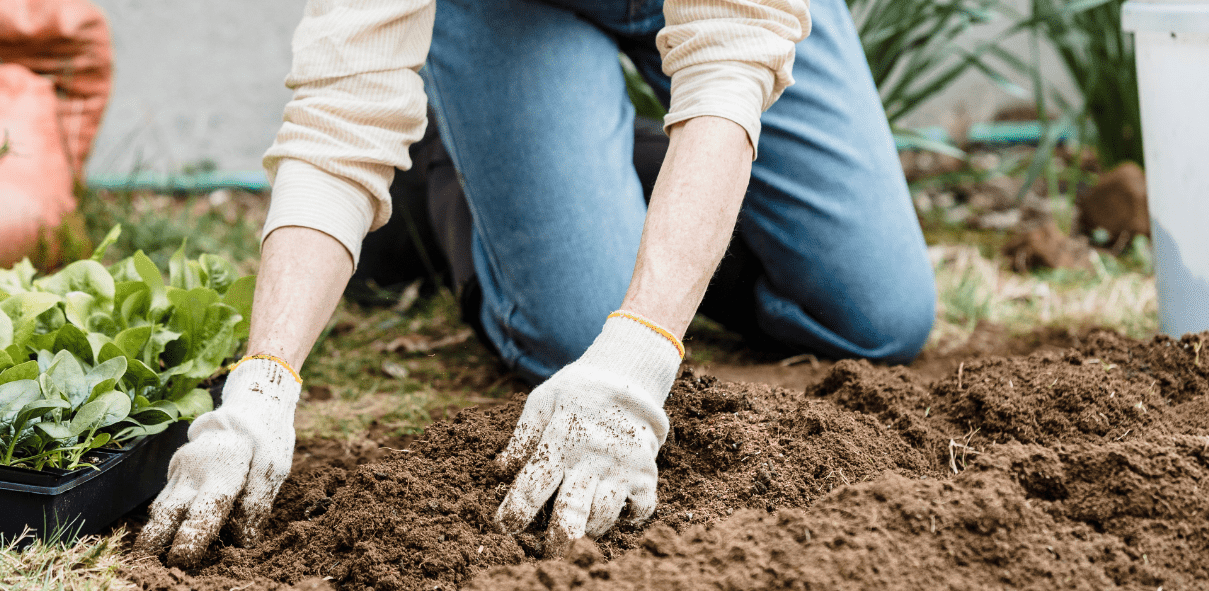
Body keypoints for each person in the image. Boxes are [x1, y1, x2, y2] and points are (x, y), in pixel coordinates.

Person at [135, 0, 936, 565]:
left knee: (879, 315)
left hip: (731, 8)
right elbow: (341, 112)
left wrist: (644, 351)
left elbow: (732, 52)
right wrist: (263, 382)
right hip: (512, 10)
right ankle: (459, 180)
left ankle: (588, 179)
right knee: (576, 324)